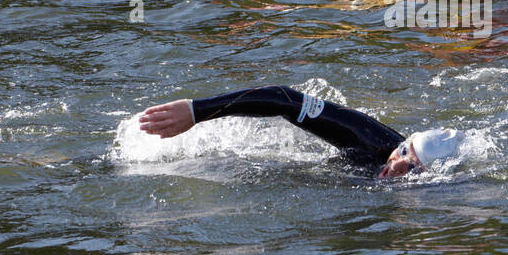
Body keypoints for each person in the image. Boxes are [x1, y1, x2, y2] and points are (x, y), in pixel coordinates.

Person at [137, 85, 464, 179]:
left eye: (412, 168)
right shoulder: (373, 142)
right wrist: (196, 112)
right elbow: (284, 99)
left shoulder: (436, 194)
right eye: (403, 152)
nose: (396, 166)